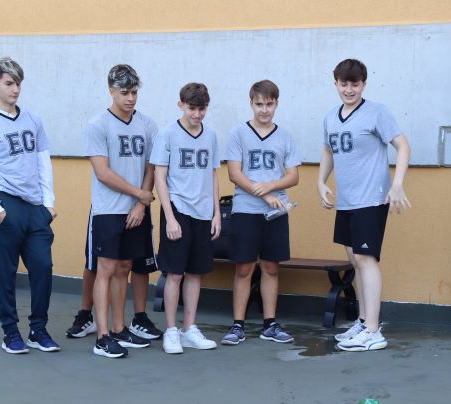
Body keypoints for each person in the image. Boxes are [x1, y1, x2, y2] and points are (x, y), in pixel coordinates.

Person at [317, 58, 411, 352]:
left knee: (366, 259)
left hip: (371, 198)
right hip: (347, 201)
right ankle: (362, 321)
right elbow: (328, 150)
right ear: (336, 84)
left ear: (364, 85)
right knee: (355, 260)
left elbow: (403, 146)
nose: (349, 90)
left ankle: (373, 330)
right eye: (343, 84)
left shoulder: (376, 112)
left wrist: (397, 184)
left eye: (355, 84)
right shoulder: (331, 117)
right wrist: (321, 181)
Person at [0, 57, 60, 354]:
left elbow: (43, 161)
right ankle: (10, 332)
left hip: (35, 208)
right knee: (5, 273)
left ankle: (38, 329)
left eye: (18, 83)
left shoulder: (33, 120)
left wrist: (48, 203)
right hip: (6, 203)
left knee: (43, 267)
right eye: (9, 83)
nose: (15, 89)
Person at [84, 64, 160, 358]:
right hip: (108, 210)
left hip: (135, 210)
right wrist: (139, 194)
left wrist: (140, 204)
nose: (130, 98)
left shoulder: (147, 125)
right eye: (124, 92)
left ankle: (118, 328)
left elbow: (151, 167)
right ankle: (102, 337)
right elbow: (103, 173)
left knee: (125, 267)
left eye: (134, 92)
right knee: (105, 269)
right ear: (111, 91)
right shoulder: (98, 125)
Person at [221, 80, 300, 346]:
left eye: (269, 104)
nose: (264, 109)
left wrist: (272, 186)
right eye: (259, 104)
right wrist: (264, 194)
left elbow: (293, 176)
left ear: (276, 104)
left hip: (276, 212)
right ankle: (238, 325)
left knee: (271, 267)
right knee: (244, 268)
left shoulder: (285, 136)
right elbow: (235, 173)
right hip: (246, 209)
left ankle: (270, 324)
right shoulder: (238, 133)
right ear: (251, 104)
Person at [151, 83, 221, 354]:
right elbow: (159, 177)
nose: (197, 114)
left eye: (202, 109)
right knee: (175, 274)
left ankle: (189, 328)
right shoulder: (167, 135)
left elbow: (213, 174)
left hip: (203, 212)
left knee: (195, 273)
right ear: (180, 104)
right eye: (192, 108)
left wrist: (216, 213)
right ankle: (171, 331)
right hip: (178, 209)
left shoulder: (211, 136)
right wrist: (170, 217)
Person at [64, 216, 162, 342]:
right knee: (96, 263)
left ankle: (140, 319)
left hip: (139, 210)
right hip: (108, 211)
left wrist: (141, 205)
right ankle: (85, 315)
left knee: (140, 262)